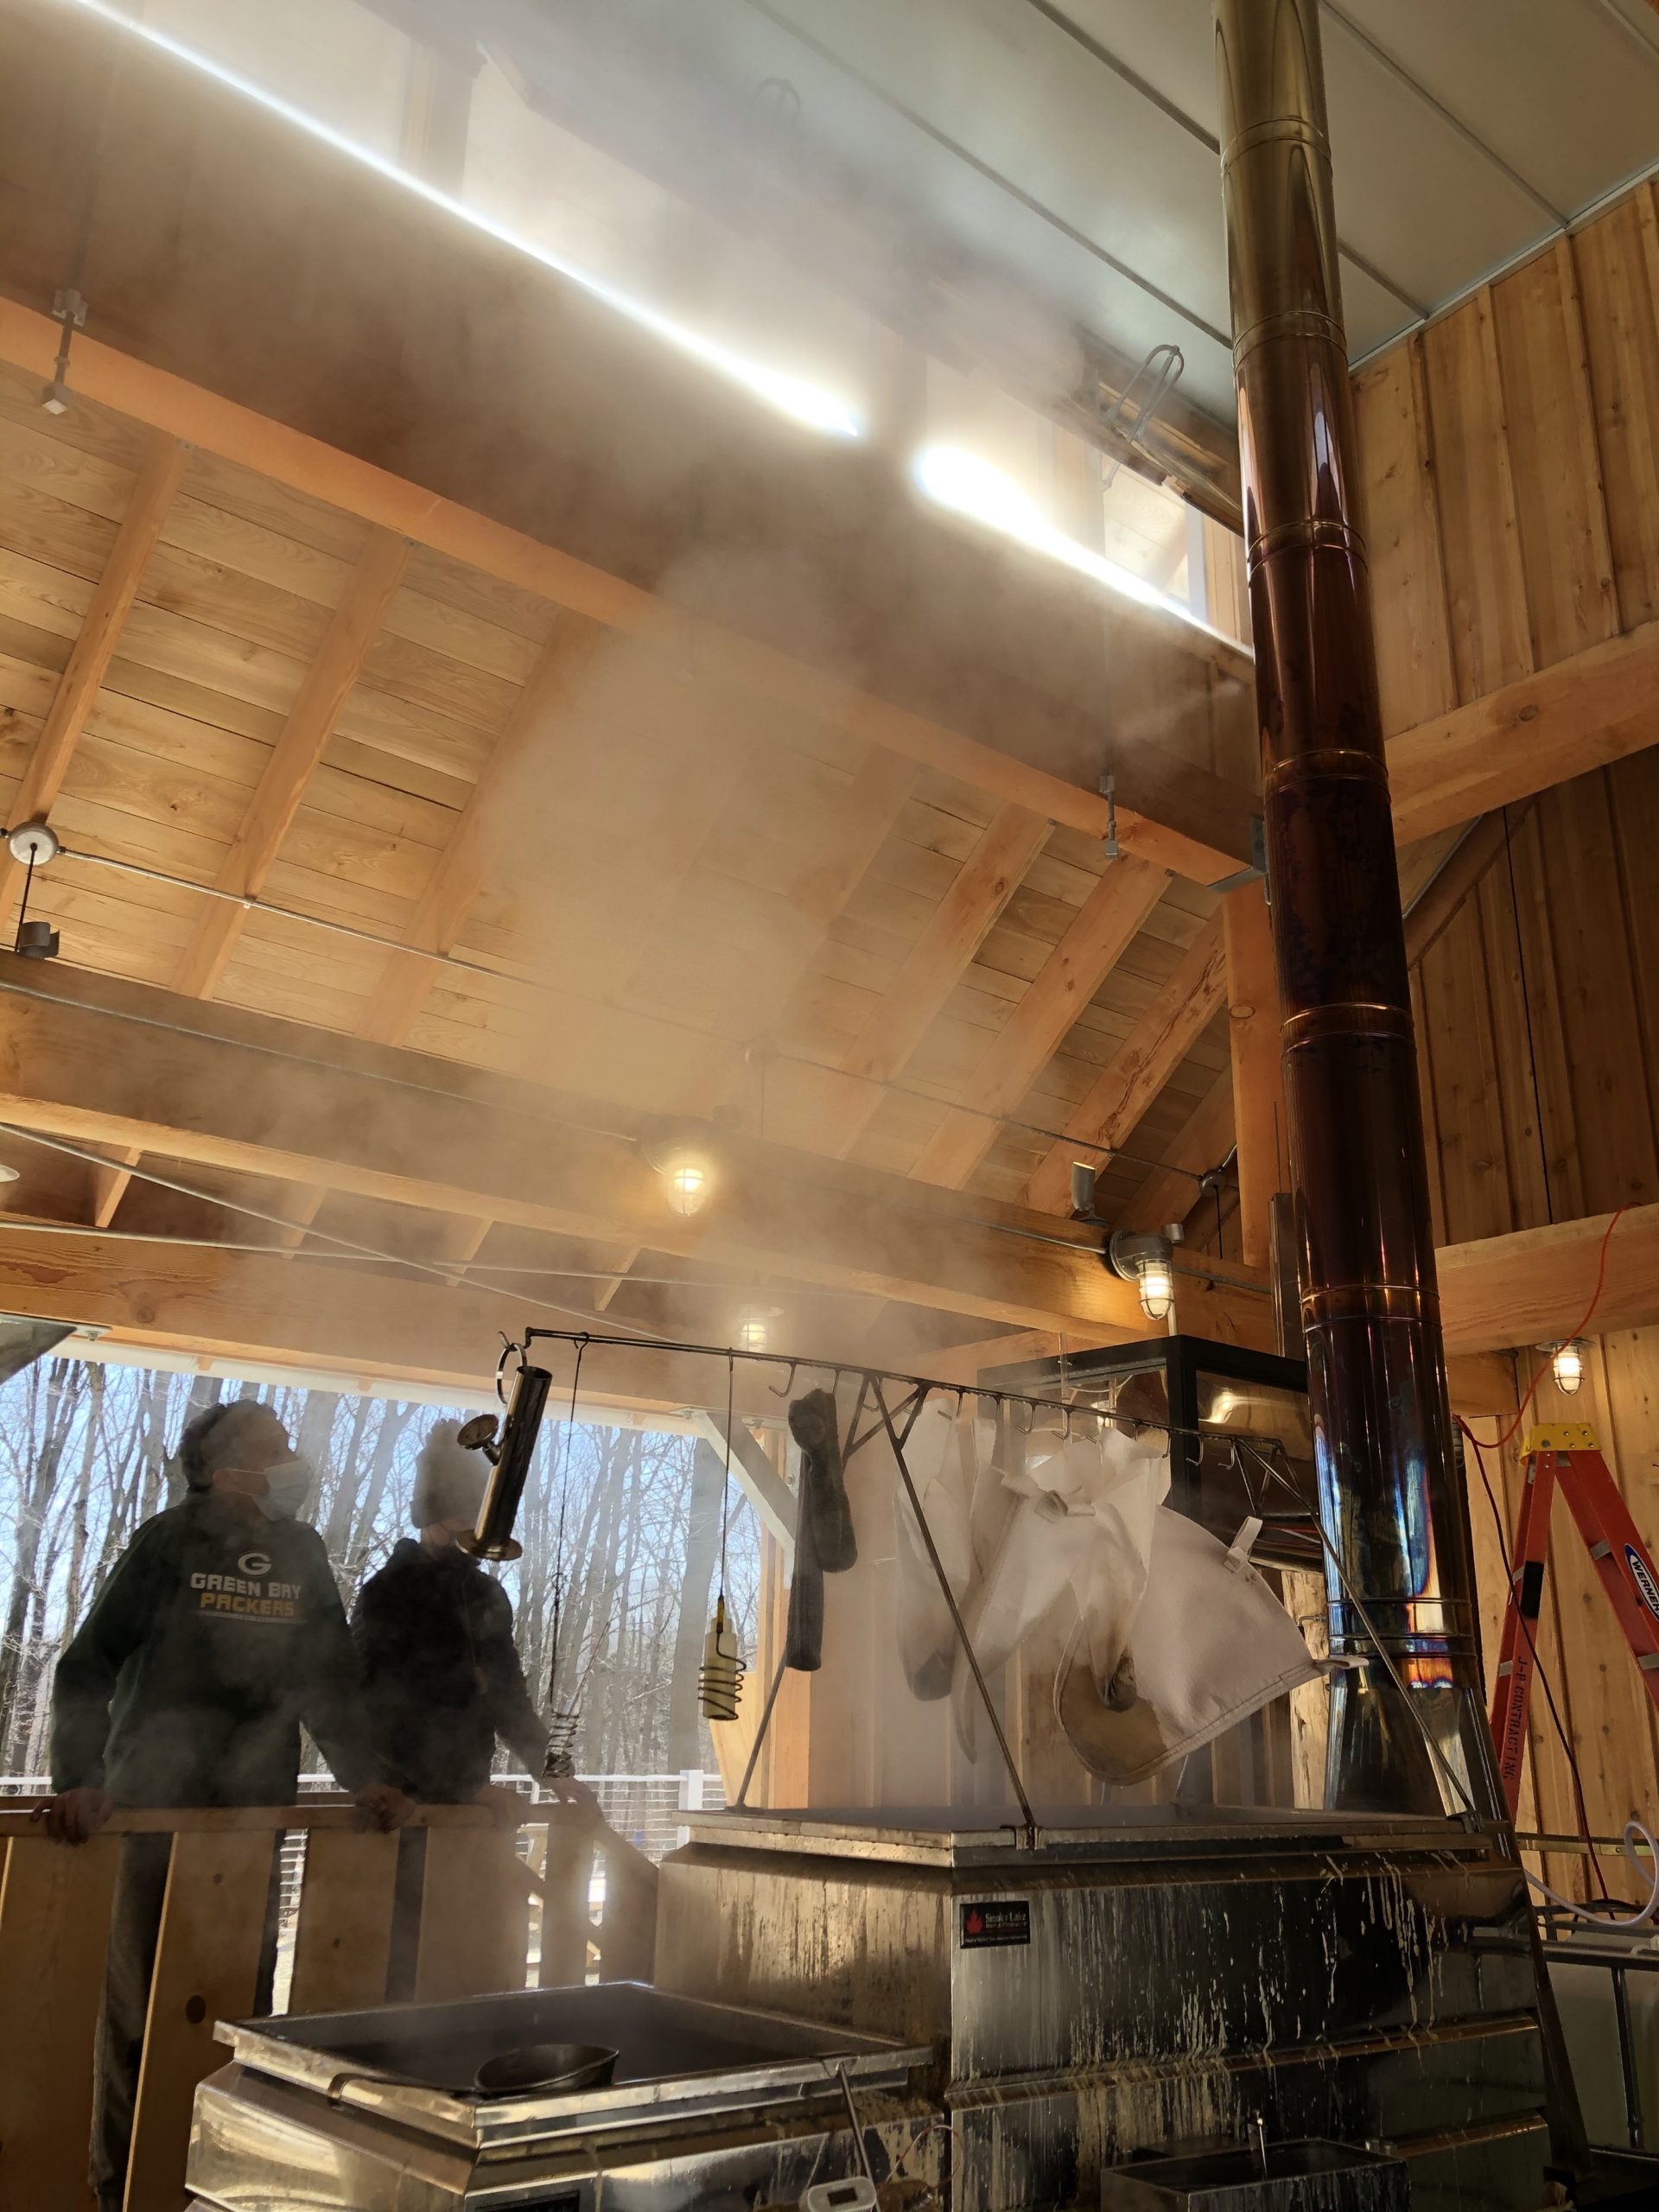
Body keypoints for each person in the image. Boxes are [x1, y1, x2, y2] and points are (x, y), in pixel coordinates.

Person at [35, 1396, 410, 2212]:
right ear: (218, 1466)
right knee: (138, 2016)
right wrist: (79, 1777)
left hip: (253, 1820)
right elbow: (89, 1665)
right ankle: (123, 2192)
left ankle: (219, 2188)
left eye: (287, 1447)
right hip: (152, 1814)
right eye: (271, 1448)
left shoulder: (302, 1553)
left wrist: (364, 1776)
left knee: (239, 2012)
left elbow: (330, 1684)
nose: (290, 1461)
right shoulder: (169, 1543)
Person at [350, 1421, 556, 1815]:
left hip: (470, 1795)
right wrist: (465, 1789)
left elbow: (507, 1693)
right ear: (431, 1518)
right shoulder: (387, 1594)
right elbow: (377, 1713)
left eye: (476, 1520)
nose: (471, 1533)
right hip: (398, 1804)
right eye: (461, 1519)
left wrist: (550, 1767)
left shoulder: (485, 1595)